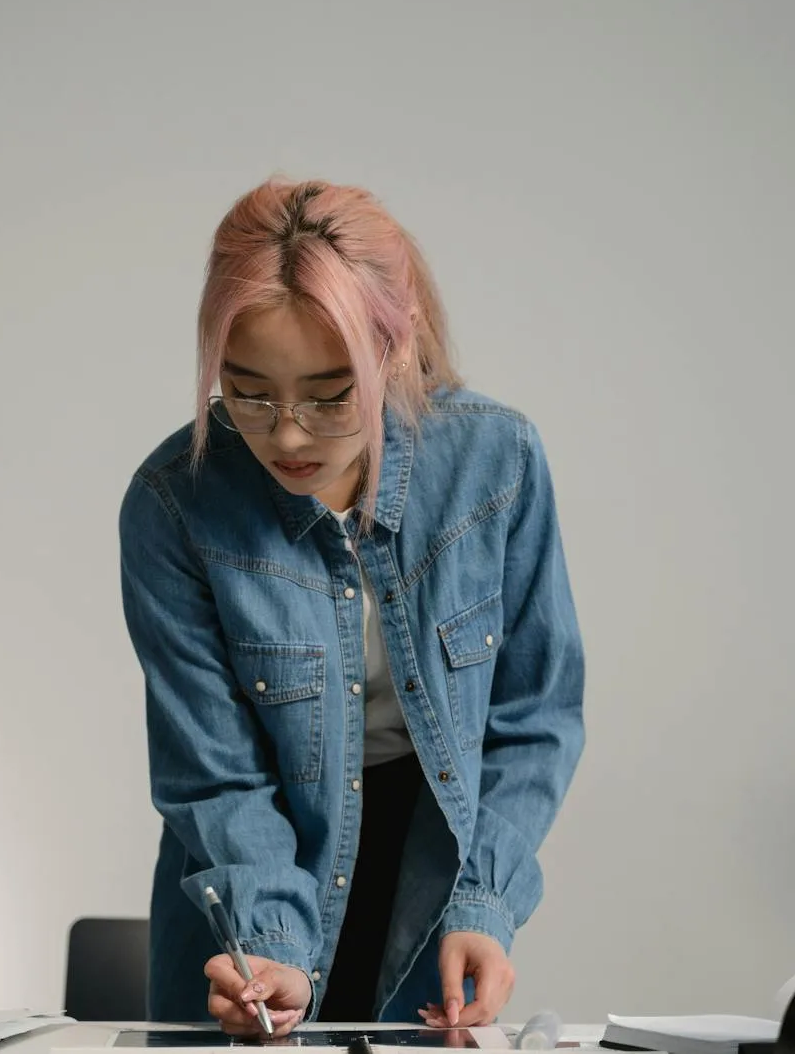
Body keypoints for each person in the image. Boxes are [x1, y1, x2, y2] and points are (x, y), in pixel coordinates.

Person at [117, 177, 585, 1034]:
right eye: (248, 390)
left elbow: (535, 715)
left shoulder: (497, 462)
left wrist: (483, 898)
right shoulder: (174, 504)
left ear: (395, 350)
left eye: (330, 393)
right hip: (246, 879)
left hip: (431, 872)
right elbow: (216, 772)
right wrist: (268, 940)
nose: (287, 433)